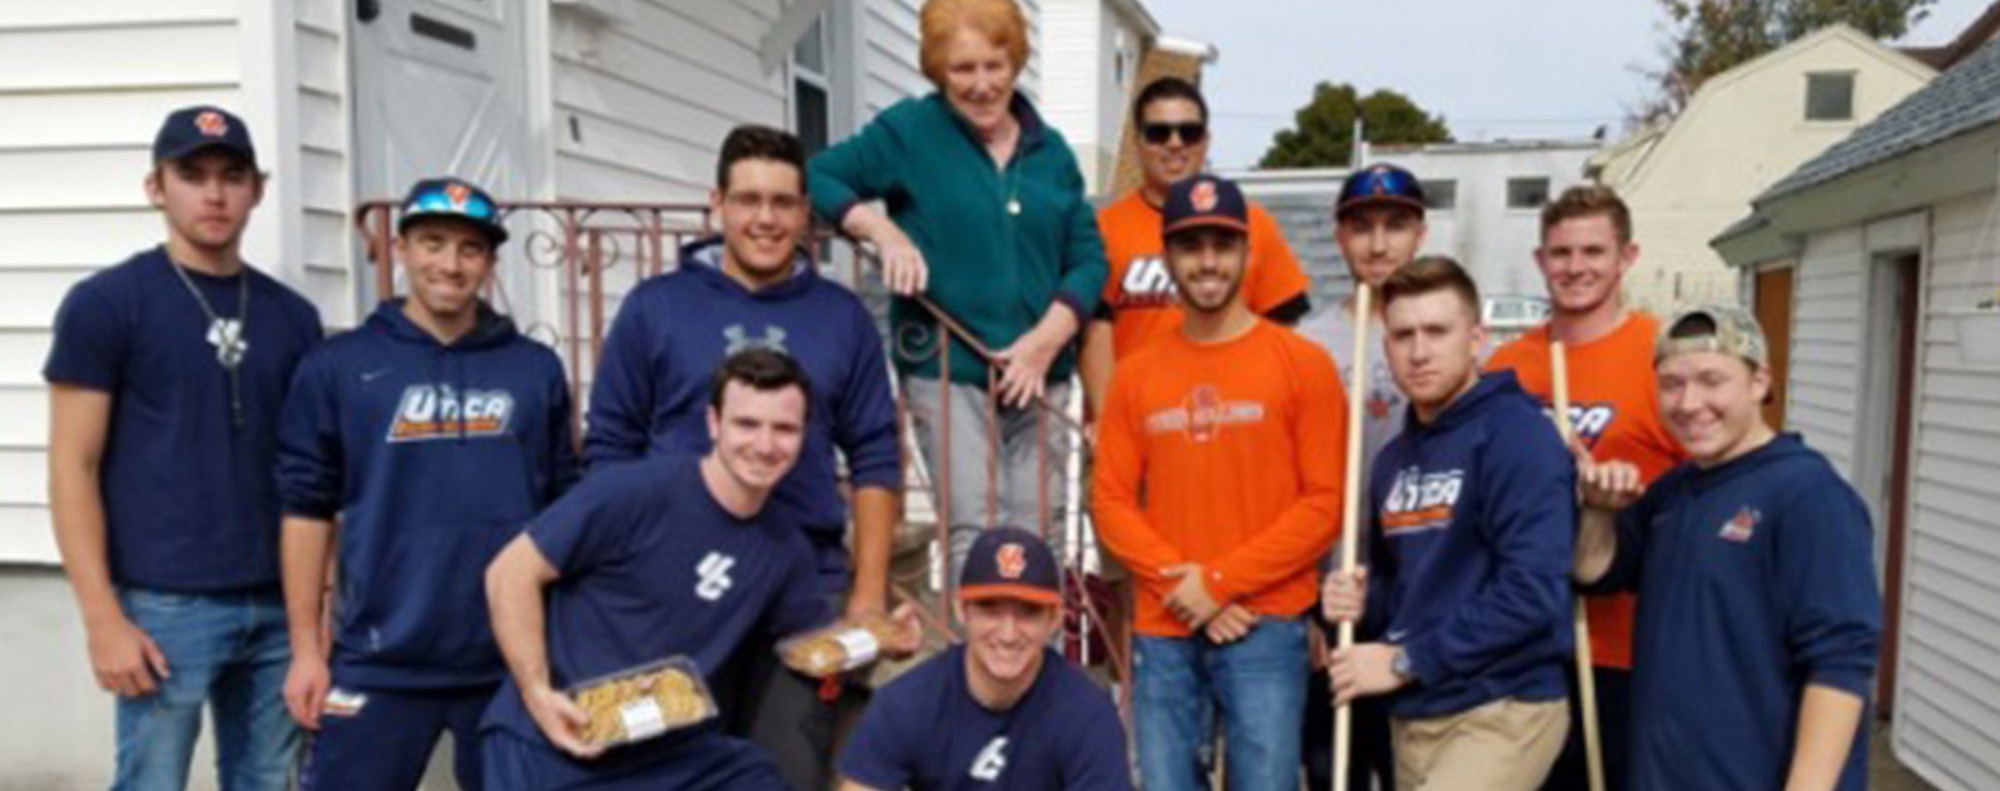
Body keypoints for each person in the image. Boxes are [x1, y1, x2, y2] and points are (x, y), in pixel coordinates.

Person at [586, 125, 900, 789]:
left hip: (800, 589)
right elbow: (610, 444)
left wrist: (868, 594)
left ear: (804, 213)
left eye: (784, 203)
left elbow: (875, 454)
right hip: (672, 583)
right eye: (749, 199)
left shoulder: (840, 317)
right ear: (717, 204)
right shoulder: (655, 307)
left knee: (785, 766)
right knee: (660, 765)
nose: (766, 218)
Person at [480, 349, 916, 791]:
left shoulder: (785, 545)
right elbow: (510, 573)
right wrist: (537, 693)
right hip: (557, 739)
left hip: (667, 750)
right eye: (747, 424)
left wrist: (884, 639)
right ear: (713, 423)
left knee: (760, 779)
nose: (765, 446)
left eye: (784, 429)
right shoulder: (632, 494)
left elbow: (813, 648)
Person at [44, 105, 322, 790]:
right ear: (156, 187)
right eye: (192, 175)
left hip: (278, 604)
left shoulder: (294, 317)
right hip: (165, 604)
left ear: (257, 188)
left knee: (267, 780)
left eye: (232, 176)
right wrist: (102, 618)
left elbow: (315, 474)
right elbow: (70, 467)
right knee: (151, 781)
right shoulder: (107, 303)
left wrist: (314, 616)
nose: (215, 193)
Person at [276, 177, 576, 790]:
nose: (450, 264)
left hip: (505, 661)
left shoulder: (533, 369)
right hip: (378, 656)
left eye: (470, 249)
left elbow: (563, 511)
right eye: (433, 243)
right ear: (402, 249)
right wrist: (307, 650)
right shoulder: (339, 366)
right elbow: (305, 510)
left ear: (490, 263)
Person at [809, 0, 1107, 577]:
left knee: (1038, 535)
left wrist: (1045, 343)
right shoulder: (910, 133)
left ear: (1015, 61)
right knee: (974, 534)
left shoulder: (1051, 154)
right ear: (937, 69)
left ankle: (1037, 666)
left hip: (1039, 370)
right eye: (962, 69)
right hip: (948, 367)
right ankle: (978, 667)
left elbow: (1089, 260)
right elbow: (820, 175)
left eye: (994, 66)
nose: (981, 85)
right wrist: (880, 229)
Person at [1093, 174, 1348, 791]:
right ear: (1169, 255)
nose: (1207, 262)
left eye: (1222, 245)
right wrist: (1187, 585)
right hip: (1163, 627)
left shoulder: (1302, 364)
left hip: (1266, 625)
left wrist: (1220, 583)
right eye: (1190, 245)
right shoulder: (1135, 375)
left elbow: (1324, 504)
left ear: (1247, 252)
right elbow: (1110, 500)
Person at [1572, 306, 1880, 791]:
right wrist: (1597, 509)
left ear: (1760, 382)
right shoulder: (1673, 493)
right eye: (1671, 384)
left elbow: (1841, 665)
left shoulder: (1809, 497)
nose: (1689, 402)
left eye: (1711, 380)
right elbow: (1593, 572)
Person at [1322, 257, 1573, 791]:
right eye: (1402, 334)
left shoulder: (1517, 436)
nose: (1419, 351)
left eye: (1437, 331)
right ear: (1384, 346)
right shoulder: (1391, 461)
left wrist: (1404, 660)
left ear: (1476, 338)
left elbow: (1533, 592)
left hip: (1502, 705)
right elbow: (1408, 596)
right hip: (1418, 712)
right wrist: (1366, 603)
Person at [1485, 184, 1685, 791]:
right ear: (1542, 260)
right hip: (1533, 643)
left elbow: (1701, 485)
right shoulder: (1506, 368)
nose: (1576, 268)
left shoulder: (1662, 356)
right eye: (1561, 253)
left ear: (1627, 257)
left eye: (1593, 252)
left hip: (1631, 640)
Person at [1296, 162, 1431, 791]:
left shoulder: (1442, 339)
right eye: (1363, 227)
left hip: (1419, 596)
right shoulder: (1308, 346)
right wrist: (1302, 606)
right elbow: (1285, 481)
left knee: (1412, 768)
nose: (1379, 244)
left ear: (1420, 233)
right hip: (1334, 596)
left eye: (1396, 226)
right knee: (1333, 770)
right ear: (1339, 235)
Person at [1081, 76, 1312, 419]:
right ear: (1137, 142)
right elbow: (1094, 331)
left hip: (1233, 421)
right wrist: (1109, 422)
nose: (1174, 143)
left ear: (1205, 140)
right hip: (1139, 421)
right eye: (1159, 133)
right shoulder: (1105, 230)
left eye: (1188, 132)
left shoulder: (1252, 225)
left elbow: (1283, 328)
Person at [837, 527, 1130, 791]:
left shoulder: (1086, 714)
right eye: (990, 609)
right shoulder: (908, 702)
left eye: (1028, 612)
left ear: (1054, 618)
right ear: (961, 610)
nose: (1008, 634)